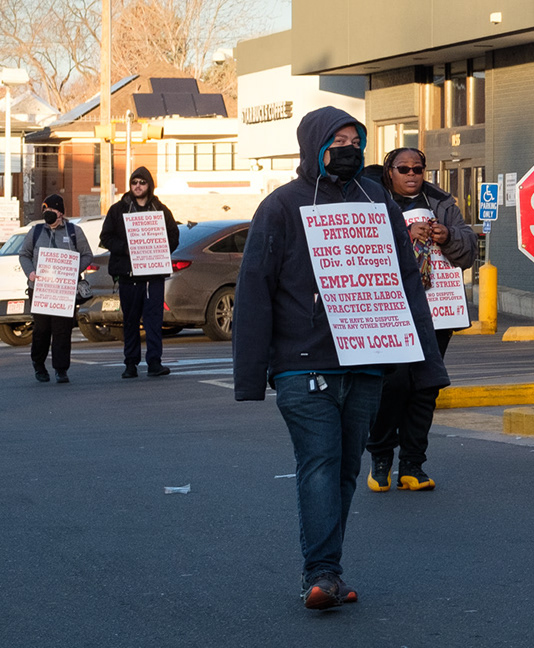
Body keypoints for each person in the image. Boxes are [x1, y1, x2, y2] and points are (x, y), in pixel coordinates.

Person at [233, 107, 447, 612]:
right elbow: (254, 291)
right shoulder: (282, 206)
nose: (349, 148)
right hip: (302, 364)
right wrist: (250, 374)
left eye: (356, 139)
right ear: (314, 145)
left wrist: (424, 361)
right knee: (321, 464)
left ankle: (327, 567)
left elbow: (406, 286)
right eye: (338, 140)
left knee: (348, 467)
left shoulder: (378, 202)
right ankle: (323, 573)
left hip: (366, 364)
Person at [365, 146, 476, 494]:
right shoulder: (372, 202)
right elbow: (363, 251)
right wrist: (404, 236)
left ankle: (413, 465)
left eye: (418, 168)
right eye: (404, 169)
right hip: (390, 311)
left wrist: (449, 236)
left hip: (435, 312)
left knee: (425, 387)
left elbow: (469, 250)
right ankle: (381, 457)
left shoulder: (442, 203)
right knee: (394, 385)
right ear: (390, 172)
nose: (412, 174)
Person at [100, 166, 181, 378]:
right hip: (128, 276)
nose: (138, 186)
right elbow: (105, 237)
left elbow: (174, 236)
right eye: (134, 182)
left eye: (142, 183)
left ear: (149, 185)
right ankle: (130, 363)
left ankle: (154, 362)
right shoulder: (118, 210)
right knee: (131, 321)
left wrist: (160, 251)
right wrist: (126, 248)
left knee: (154, 320)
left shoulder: (160, 210)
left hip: (153, 276)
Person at [20, 193, 95, 384]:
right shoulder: (35, 232)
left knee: (62, 331)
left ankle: (61, 369)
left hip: (64, 291)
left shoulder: (73, 232)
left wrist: (72, 271)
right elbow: (24, 255)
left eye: (51, 210)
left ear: (60, 213)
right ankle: (39, 365)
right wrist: (30, 273)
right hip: (40, 290)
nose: (48, 213)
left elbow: (87, 255)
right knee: (41, 330)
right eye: (45, 210)